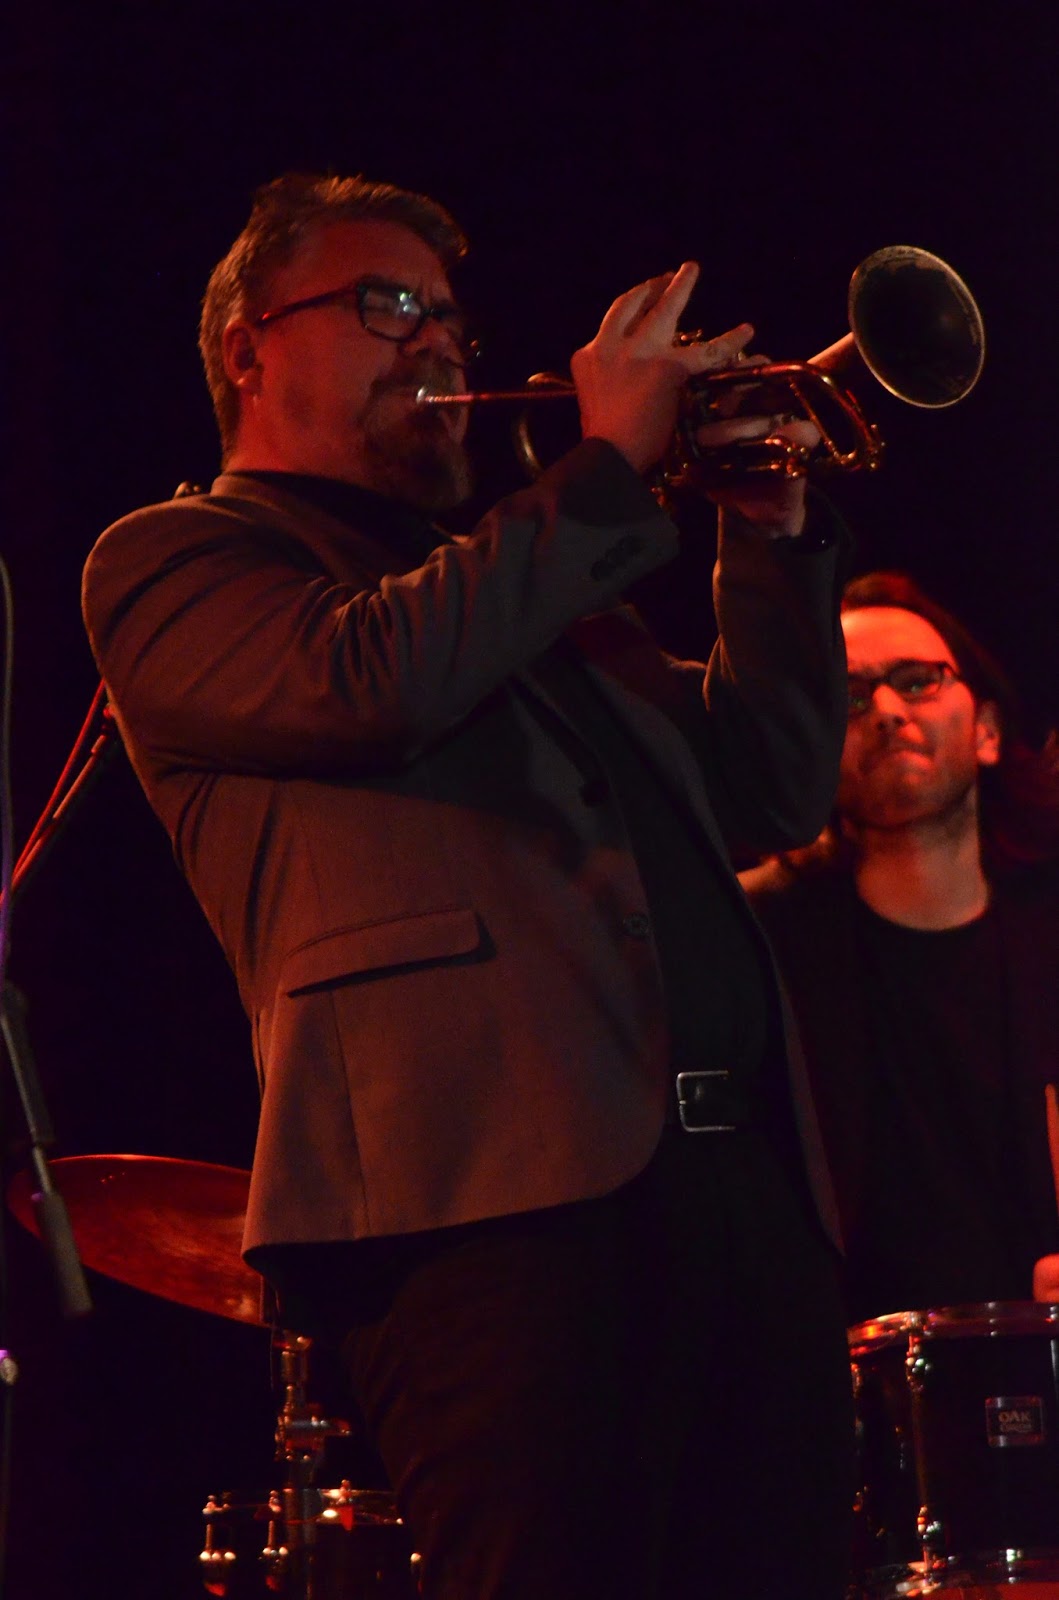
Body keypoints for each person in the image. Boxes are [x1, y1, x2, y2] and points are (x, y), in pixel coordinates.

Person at [82, 171, 856, 1599]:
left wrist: (768, 535)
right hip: (486, 1215)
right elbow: (367, 684)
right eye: (389, 306)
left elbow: (770, 790)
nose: (439, 341)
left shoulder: (520, 579)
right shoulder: (181, 559)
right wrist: (607, 466)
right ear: (248, 347)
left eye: (447, 316)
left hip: (740, 1195)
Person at [742, 571, 1059, 1328]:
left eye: (917, 681)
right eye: (849, 697)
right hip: (845, 1368)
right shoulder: (758, 937)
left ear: (986, 730)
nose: (886, 711)